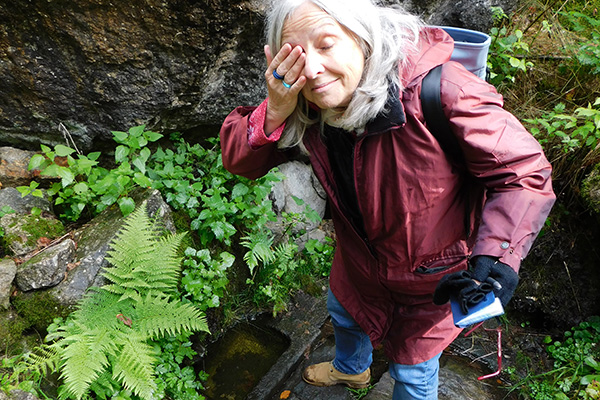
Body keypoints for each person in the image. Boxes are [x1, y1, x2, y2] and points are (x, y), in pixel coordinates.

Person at [219, 0, 556, 398]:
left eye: (326, 45)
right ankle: (351, 370)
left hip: (432, 283)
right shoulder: (305, 104)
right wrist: (275, 108)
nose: (310, 70)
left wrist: (494, 259)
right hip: (358, 265)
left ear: (363, 39)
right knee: (344, 314)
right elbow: (240, 161)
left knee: (413, 375)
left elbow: (524, 173)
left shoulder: (443, 91)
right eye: (297, 54)